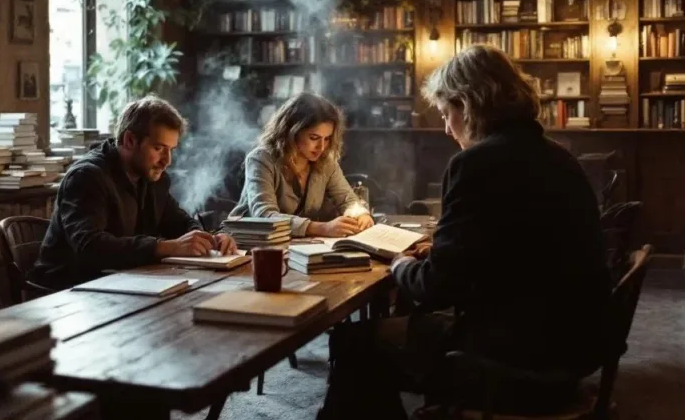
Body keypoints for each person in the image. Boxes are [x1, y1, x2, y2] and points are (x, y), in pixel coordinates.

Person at [319, 45, 611, 419]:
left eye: (445, 114)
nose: (445, 128)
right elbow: (510, 250)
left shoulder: (476, 164)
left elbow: (438, 288)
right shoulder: (557, 155)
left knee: (353, 341)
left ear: (468, 105)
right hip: (571, 347)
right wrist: (441, 252)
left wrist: (400, 263)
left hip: (514, 360)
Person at [29, 96, 237, 290]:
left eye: (171, 150)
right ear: (129, 140)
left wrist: (209, 240)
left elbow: (179, 222)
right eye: (158, 148)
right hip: (68, 293)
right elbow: (89, 247)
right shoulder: (86, 177)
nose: (167, 161)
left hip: (123, 284)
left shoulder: (153, 177)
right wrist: (162, 247)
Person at [229, 92, 375, 238]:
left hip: (295, 246)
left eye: (327, 139)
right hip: (249, 244)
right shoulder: (261, 159)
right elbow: (264, 215)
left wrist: (361, 215)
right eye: (314, 138)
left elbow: (348, 199)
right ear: (292, 132)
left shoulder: (325, 162)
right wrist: (321, 228)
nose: (321, 147)